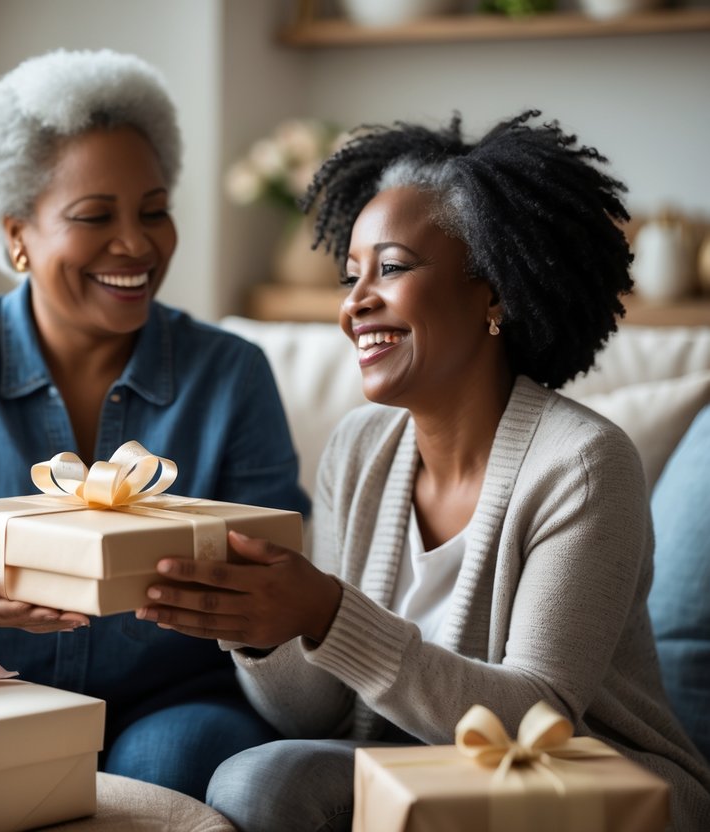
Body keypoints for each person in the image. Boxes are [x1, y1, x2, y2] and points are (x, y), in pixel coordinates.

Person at [136, 110, 710, 829]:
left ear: (493, 291)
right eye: (350, 277)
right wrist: (262, 630)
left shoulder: (584, 465)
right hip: (416, 777)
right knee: (259, 777)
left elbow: (538, 720)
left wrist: (327, 611)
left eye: (392, 267)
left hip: (586, 779)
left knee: (266, 784)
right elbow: (316, 712)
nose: (354, 304)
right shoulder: (360, 447)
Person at [0, 48, 310, 800]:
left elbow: (279, 566)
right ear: (17, 235)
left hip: (175, 700)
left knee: (170, 768)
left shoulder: (231, 372)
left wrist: (237, 596)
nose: (136, 244)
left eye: (153, 210)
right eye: (95, 217)